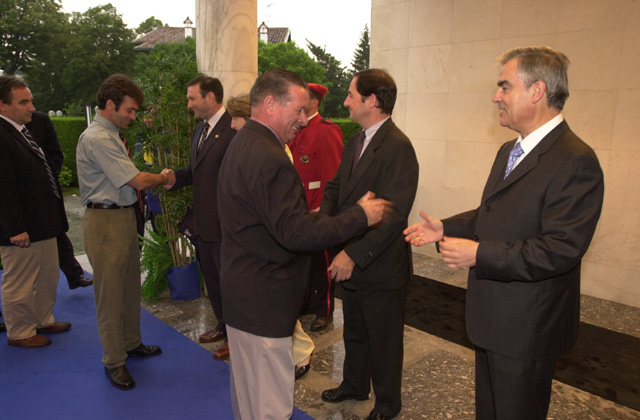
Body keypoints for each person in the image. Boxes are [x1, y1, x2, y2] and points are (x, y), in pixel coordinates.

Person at [403, 46, 605, 420]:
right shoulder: (509, 150)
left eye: (504, 86)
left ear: (537, 90)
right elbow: (493, 213)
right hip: (492, 320)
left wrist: (478, 254)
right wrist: (446, 227)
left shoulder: (575, 160)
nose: (496, 96)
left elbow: (559, 250)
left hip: (526, 329)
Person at [217, 69, 391, 420]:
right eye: (297, 110)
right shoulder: (270, 157)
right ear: (270, 104)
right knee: (269, 407)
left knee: (248, 400)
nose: (302, 118)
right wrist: (359, 216)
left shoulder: (243, 141)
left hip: (243, 295)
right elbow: (294, 234)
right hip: (264, 301)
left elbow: (271, 221)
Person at [320, 69, 419, 420]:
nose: (346, 101)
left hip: (379, 265)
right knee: (356, 332)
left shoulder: (398, 147)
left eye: (351, 95)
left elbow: (394, 215)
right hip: (350, 258)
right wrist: (322, 224)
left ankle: (388, 404)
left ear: (371, 100)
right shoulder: (356, 141)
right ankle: (354, 385)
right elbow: (335, 188)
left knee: (385, 340)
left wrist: (353, 254)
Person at [76, 74, 170, 390]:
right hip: (105, 222)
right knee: (110, 295)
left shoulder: (112, 134)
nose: (133, 116)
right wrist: (164, 177)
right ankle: (114, 361)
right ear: (110, 104)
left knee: (129, 287)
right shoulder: (99, 138)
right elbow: (138, 181)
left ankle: (131, 342)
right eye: (129, 110)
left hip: (122, 218)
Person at [162, 75, 236, 361]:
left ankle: (236, 337)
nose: (188, 104)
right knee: (214, 281)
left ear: (210, 97)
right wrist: (174, 177)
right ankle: (223, 324)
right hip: (204, 224)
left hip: (226, 225)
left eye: (192, 98)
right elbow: (197, 171)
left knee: (229, 284)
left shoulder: (234, 128)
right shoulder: (199, 130)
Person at [0, 75, 71, 348]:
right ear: (3, 105)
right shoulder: (2, 135)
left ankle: (43, 319)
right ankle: (20, 331)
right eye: (23, 102)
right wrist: (15, 228)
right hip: (22, 228)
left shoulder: (20, 131)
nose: (31, 107)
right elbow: (4, 188)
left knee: (47, 274)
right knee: (19, 281)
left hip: (43, 223)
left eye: (30, 101)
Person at [288, 82, 344, 332]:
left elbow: (333, 176)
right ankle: (305, 304)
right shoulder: (292, 127)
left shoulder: (326, 131)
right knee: (300, 262)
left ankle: (324, 310)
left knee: (321, 264)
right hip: (294, 207)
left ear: (313, 102)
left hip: (315, 208)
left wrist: (324, 210)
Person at [26, 111, 93, 290]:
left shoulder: (40, 120)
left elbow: (56, 153)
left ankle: (75, 275)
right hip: (22, 204)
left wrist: (48, 177)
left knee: (58, 234)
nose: (29, 107)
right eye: (23, 102)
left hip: (47, 194)